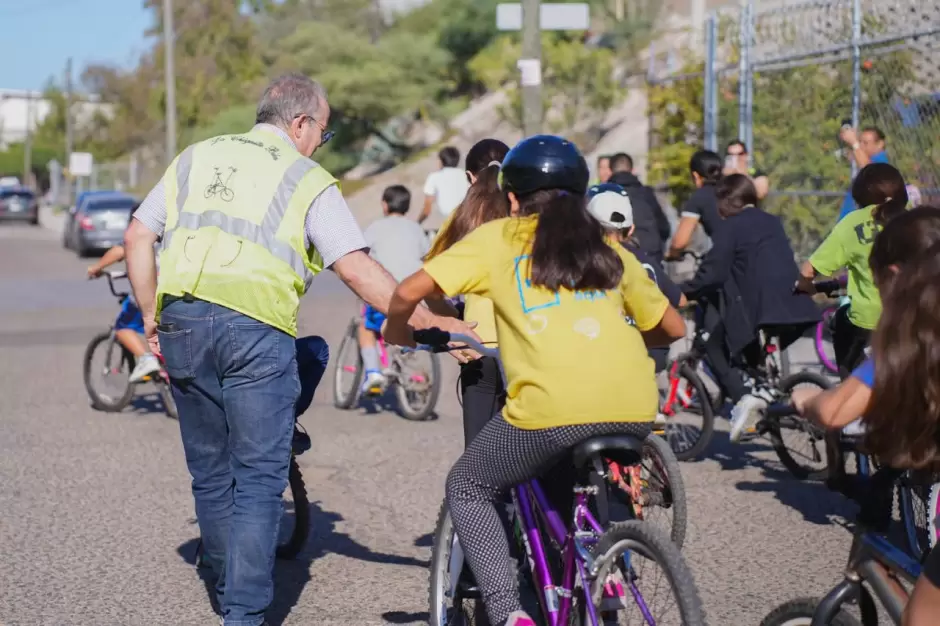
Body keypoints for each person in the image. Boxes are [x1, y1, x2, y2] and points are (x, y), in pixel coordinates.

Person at [122, 73, 476, 626]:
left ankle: (223, 575)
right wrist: (428, 321)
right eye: (322, 133)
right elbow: (356, 268)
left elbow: (137, 236)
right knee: (259, 479)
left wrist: (150, 313)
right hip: (254, 331)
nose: (320, 144)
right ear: (300, 123)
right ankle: (243, 613)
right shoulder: (305, 177)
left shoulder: (195, 156)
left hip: (182, 324)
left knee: (211, 471)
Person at [383, 135, 687, 626]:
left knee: (468, 484)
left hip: (551, 407)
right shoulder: (607, 247)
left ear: (511, 198)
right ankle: (602, 569)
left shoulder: (499, 239)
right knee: (571, 491)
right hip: (633, 406)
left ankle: (507, 611)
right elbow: (672, 327)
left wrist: (399, 333)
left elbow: (408, 291)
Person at [789, 206, 940, 626]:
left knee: (921, 619)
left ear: (894, 274)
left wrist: (805, 400)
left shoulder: (917, 341)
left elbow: (836, 410)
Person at [680, 174, 820, 442]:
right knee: (748, 345)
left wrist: (685, 290)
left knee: (714, 345)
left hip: (760, 305)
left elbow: (714, 272)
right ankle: (763, 391)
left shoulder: (730, 227)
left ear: (726, 201)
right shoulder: (771, 221)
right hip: (792, 300)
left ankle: (746, 400)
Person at [426, 138, 511, 445]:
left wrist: (453, 322)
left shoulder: (461, 218)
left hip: (477, 343)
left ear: (469, 177)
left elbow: (430, 288)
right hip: (528, 344)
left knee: (477, 452)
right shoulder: (529, 215)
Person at [797, 162, 908, 377]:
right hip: (912, 317)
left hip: (869, 321)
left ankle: (849, 383)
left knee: (841, 320)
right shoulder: (914, 220)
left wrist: (805, 287)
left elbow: (809, 270)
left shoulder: (853, 223)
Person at [586, 182, 687, 377]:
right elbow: (679, 310)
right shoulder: (638, 259)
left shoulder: (581, 261)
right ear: (631, 230)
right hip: (650, 358)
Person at [358, 184, 431, 395]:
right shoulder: (416, 229)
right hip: (416, 295)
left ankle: (373, 374)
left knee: (365, 327)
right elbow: (426, 255)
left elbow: (361, 256)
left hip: (386, 294)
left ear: (384, 205)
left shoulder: (375, 228)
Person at [87, 244, 162, 383]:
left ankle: (147, 360)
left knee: (122, 327)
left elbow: (121, 250)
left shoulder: (146, 231)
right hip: (177, 289)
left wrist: (96, 267)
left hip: (149, 292)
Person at [607, 152, 672, 264]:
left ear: (610, 170)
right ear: (632, 170)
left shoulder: (605, 195)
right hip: (650, 253)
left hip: (617, 256)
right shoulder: (646, 193)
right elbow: (664, 228)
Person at [666, 149, 724, 260]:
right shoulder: (733, 190)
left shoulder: (700, 197)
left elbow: (679, 242)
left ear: (696, 175)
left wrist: (672, 254)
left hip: (729, 256)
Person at [837, 125, 890, 221]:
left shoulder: (881, 161)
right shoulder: (870, 159)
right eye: (860, 141)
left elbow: (869, 170)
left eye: (865, 143)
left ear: (880, 144)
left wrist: (854, 143)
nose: (861, 146)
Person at [419, 145, 470, 224]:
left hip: (449, 222)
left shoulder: (434, 177)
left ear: (441, 161)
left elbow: (427, 210)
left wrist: (417, 223)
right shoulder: (466, 175)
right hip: (468, 219)